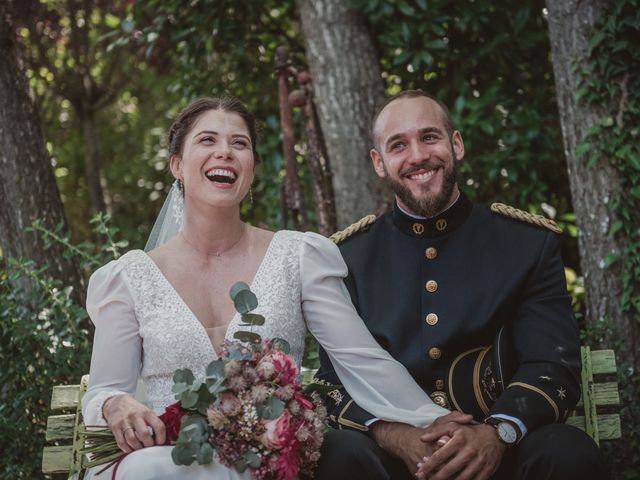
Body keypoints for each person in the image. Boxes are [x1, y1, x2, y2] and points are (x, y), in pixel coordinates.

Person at [81, 96, 464, 480]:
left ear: (251, 169)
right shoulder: (129, 278)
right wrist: (116, 405)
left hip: (271, 460)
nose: (225, 153)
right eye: (207, 140)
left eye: (239, 144)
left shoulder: (298, 257)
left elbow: (361, 359)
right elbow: (103, 392)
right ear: (177, 166)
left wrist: (437, 420)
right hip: (169, 460)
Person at [314, 89, 609, 480]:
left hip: (503, 455)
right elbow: (332, 381)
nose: (417, 155)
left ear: (456, 144)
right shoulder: (347, 258)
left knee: (568, 452)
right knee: (335, 453)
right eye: (398, 145)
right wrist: (396, 436)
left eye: (429, 137)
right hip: (395, 464)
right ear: (379, 163)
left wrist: (497, 434)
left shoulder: (525, 244)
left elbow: (551, 362)